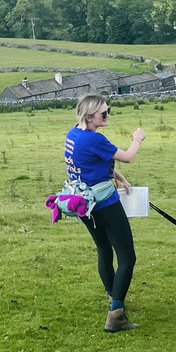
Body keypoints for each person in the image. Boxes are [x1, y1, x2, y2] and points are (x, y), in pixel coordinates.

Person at [63, 95, 147, 333]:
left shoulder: (73, 135)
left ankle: (114, 298)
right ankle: (116, 315)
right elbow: (128, 156)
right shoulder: (94, 139)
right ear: (89, 117)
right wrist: (137, 139)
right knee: (127, 257)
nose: (107, 116)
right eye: (103, 114)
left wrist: (118, 177)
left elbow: (87, 165)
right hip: (105, 204)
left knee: (103, 249)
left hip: (83, 203)